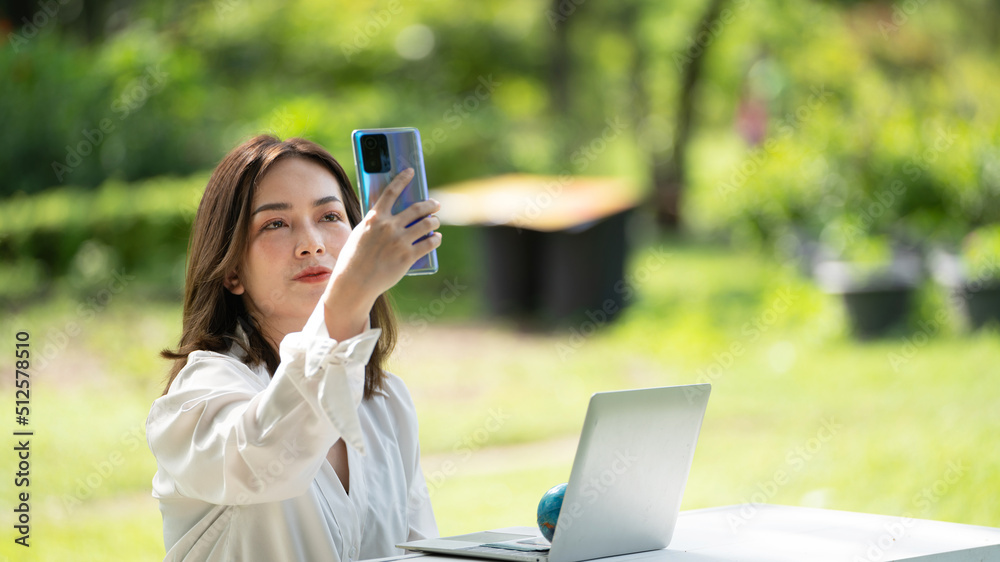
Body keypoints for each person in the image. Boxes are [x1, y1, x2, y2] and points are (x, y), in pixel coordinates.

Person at [146, 134, 442, 561]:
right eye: (275, 224)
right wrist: (348, 300)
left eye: (329, 216)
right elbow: (267, 462)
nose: (312, 244)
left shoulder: (388, 402)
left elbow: (418, 552)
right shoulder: (198, 397)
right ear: (232, 272)